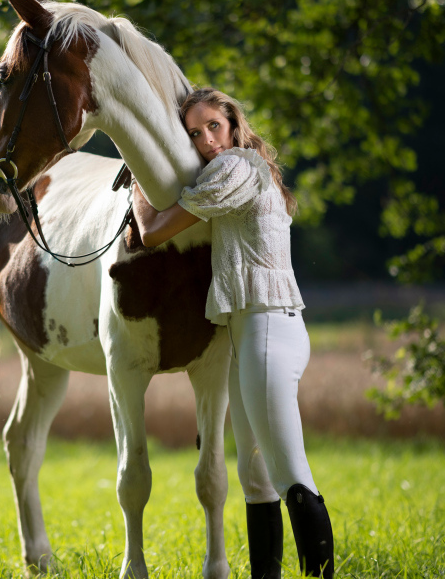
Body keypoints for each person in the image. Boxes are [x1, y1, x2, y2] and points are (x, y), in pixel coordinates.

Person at [131, 88, 335, 579]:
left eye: (212, 126)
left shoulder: (236, 167)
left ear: (233, 122)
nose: (206, 142)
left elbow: (153, 231)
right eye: (195, 134)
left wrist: (137, 176)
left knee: (289, 476)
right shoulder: (248, 169)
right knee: (256, 478)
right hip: (252, 333)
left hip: (266, 329)